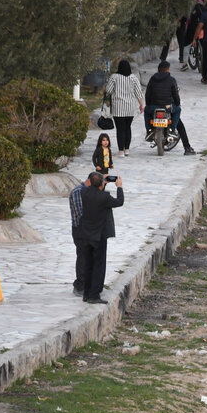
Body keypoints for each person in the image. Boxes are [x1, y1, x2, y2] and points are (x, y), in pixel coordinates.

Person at [77, 173, 124, 304]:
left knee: (88, 264)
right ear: (102, 184)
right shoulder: (105, 197)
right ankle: (94, 295)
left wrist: (100, 181)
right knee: (99, 265)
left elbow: (89, 188)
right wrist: (119, 187)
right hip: (99, 236)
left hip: (86, 234)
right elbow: (119, 202)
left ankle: (86, 293)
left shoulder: (84, 192)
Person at [144, 60, 197, 155]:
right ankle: (175, 133)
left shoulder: (152, 79)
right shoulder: (171, 79)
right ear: (167, 70)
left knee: (146, 111)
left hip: (154, 107)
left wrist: (149, 105)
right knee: (178, 112)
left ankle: (149, 130)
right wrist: (177, 104)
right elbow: (175, 95)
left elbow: (147, 94)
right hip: (167, 107)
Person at [103, 60, 144, 157]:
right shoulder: (133, 78)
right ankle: (127, 150)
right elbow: (138, 93)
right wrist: (141, 105)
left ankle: (120, 151)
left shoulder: (114, 77)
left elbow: (108, 90)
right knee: (127, 128)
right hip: (130, 107)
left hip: (118, 107)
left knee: (120, 129)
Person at [68, 175, 94, 296]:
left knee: (87, 256)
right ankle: (79, 286)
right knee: (82, 257)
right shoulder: (78, 192)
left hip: (86, 229)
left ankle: (86, 284)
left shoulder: (86, 191)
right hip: (80, 229)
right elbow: (80, 213)